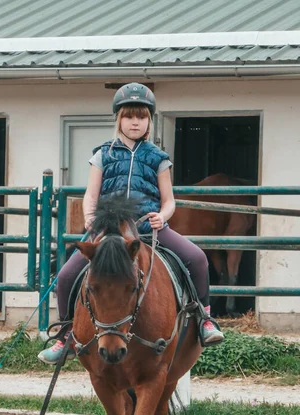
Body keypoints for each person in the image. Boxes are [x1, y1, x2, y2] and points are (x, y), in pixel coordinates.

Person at [38, 82, 224, 364]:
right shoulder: (103, 155)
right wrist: (90, 218)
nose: (134, 122)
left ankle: (205, 320)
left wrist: (163, 216)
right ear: (119, 119)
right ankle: (67, 335)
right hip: (108, 231)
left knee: (197, 258)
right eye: (128, 116)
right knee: (65, 276)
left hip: (149, 230)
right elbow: (91, 194)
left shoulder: (158, 159)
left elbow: (169, 200)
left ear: (149, 121)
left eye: (141, 116)